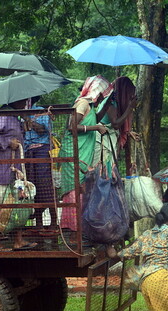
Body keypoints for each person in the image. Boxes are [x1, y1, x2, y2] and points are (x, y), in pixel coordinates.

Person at [59, 75, 113, 232]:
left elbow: (96, 117)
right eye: (101, 94)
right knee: (76, 188)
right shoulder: (82, 103)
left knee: (85, 187)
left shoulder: (91, 106)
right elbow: (71, 127)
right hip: (74, 150)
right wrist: (96, 128)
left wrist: (108, 102)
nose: (102, 97)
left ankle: (81, 229)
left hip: (84, 151)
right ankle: (72, 229)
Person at [0, 98, 37, 251]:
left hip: (15, 171)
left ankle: (18, 240)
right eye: (23, 101)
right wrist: (8, 142)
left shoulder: (15, 118)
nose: (26, 104)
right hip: (0, 171)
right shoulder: (3, 117)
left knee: (18, 204)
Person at [23, 95, 57, 231]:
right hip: (28, 152)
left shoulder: (40, 111)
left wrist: (28, 120)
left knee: (46, 186)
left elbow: (43, 129)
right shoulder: (21, 114)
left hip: (42, 150)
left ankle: (54, 222)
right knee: (33, 187)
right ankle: (38, 223)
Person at [91, 76, 137, 166]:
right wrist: (130, 107)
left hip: (107, 138)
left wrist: (128, 132)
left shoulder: (115, 102)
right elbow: (115, 124)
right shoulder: (111, 102)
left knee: (108, 169)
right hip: (102, 139)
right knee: (100, 169)